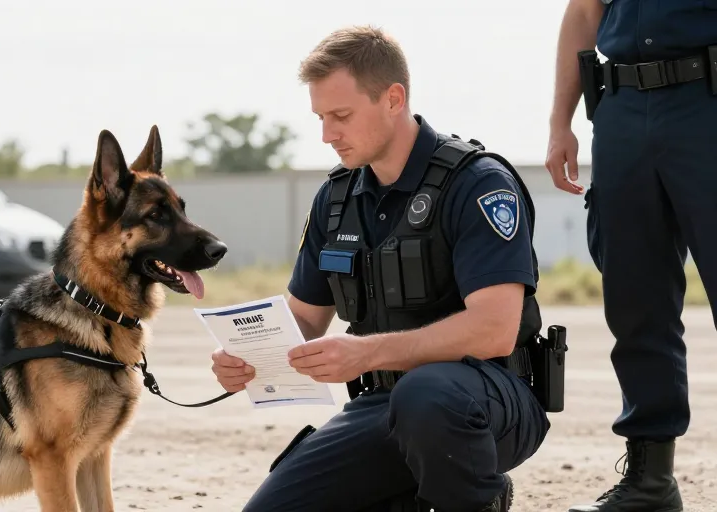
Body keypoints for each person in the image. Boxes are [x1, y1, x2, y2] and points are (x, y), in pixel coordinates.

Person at [211, 25, 554, 512]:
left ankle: (480, 499)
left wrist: (366, 353)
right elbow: (304, 320)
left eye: (341, 116)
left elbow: (495, 330)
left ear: (393, 98)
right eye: (321, 117)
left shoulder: (477, 184)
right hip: (384, 406)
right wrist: (249, 357)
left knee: (428, 397)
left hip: (488, 401)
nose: (327, 135)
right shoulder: (335, 199)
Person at [545, 0, 717, 510]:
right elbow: (583, 12)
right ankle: (650, 481)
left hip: (706, 102)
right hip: (621, 110)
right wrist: (561, 121)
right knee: (635, 300)